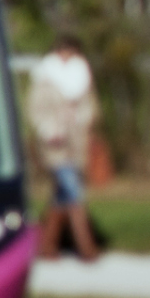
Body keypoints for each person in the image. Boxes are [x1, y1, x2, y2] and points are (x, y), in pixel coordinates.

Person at [29, 35, 100, 262]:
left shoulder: (82, 76)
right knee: (73, 190)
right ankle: (86, 247)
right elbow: (35, 110)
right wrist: (49, 129)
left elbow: (91, 107)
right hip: (54, 144)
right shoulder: (45, 78)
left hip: (76, 142)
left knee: (61, 196)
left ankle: (46, 245)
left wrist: (82, 119)